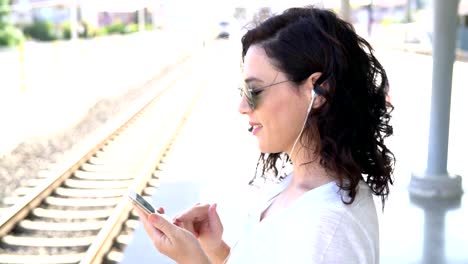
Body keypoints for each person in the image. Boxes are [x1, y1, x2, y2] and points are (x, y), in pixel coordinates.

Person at [134, 6, 394, 264]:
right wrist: (214, 248)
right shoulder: (297, 184)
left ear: (317, 91)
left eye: (255, 91)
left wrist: (194, 260)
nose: (242, 107)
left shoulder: (331, 226)